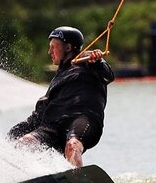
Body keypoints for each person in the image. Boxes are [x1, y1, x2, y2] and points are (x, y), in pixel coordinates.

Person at [8, 26, 114, 167]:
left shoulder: (88, 63)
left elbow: (108, 75)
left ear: (68, 47)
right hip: (54, 126)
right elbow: (38, 116)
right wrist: (10, 137)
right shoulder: (57, 80)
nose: (49, 51)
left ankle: (77, 181)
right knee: (24, 143)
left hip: (83, 119)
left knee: (72, 145)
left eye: (53, 47)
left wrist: (98, 61)